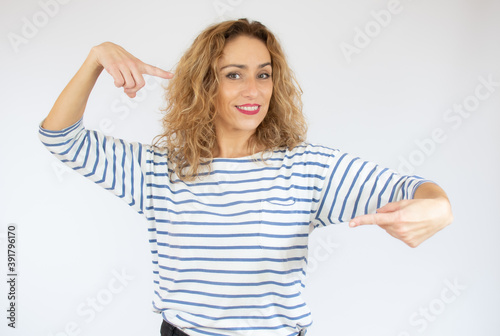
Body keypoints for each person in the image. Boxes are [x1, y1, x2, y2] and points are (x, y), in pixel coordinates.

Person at [38, 18, 453, 336]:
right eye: (234, 74)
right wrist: (96, 58)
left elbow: (413, 188)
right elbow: (60, 137)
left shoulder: (307, 168)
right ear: (205, 83)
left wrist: (438, 207)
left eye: (263, 74)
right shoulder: (159, 171)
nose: (253, 90)